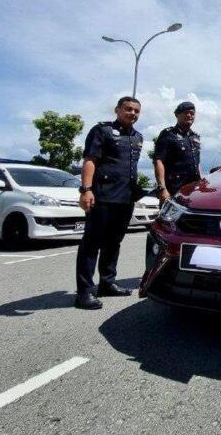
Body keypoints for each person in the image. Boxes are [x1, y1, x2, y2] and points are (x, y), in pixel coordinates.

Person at [75, 96, 144, 310]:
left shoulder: (137, 137)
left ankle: (107, 282)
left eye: (136, 111)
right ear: (117, 110)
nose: (132, 113)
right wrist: (86, 190)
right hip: (103, 196)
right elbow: (90, 160)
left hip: (125, 198)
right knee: (91, 244)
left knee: (114, 242)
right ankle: (84, 292)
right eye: (128, 109)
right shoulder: (102, 131)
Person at [153, 101, 202, 203]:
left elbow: (198, 163)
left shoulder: (195, 136)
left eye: (192, 113)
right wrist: (162, 188)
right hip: (173, 188)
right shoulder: (168, 134)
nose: (189, 115)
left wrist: (201, 182)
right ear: (177, 114)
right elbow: (158, 161)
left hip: (193, 190)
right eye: (185, 112)